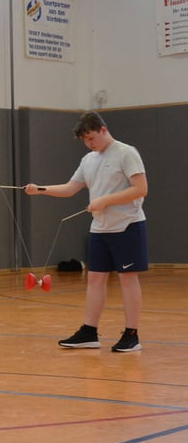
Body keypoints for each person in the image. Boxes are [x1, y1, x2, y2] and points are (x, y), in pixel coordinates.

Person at [24, 111, 148, 353]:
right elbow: (71, 188)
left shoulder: (126, 153)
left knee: (127, 279)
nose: (90, 144)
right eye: (85, 141)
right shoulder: (89, 160)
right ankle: (89, 332)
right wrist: (40, 189)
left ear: (103, 129)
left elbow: (141, 189)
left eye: (92, 138)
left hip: (128, 225)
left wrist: (106, 201)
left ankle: (132, 335)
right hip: (100, 229)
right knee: (95, 278)